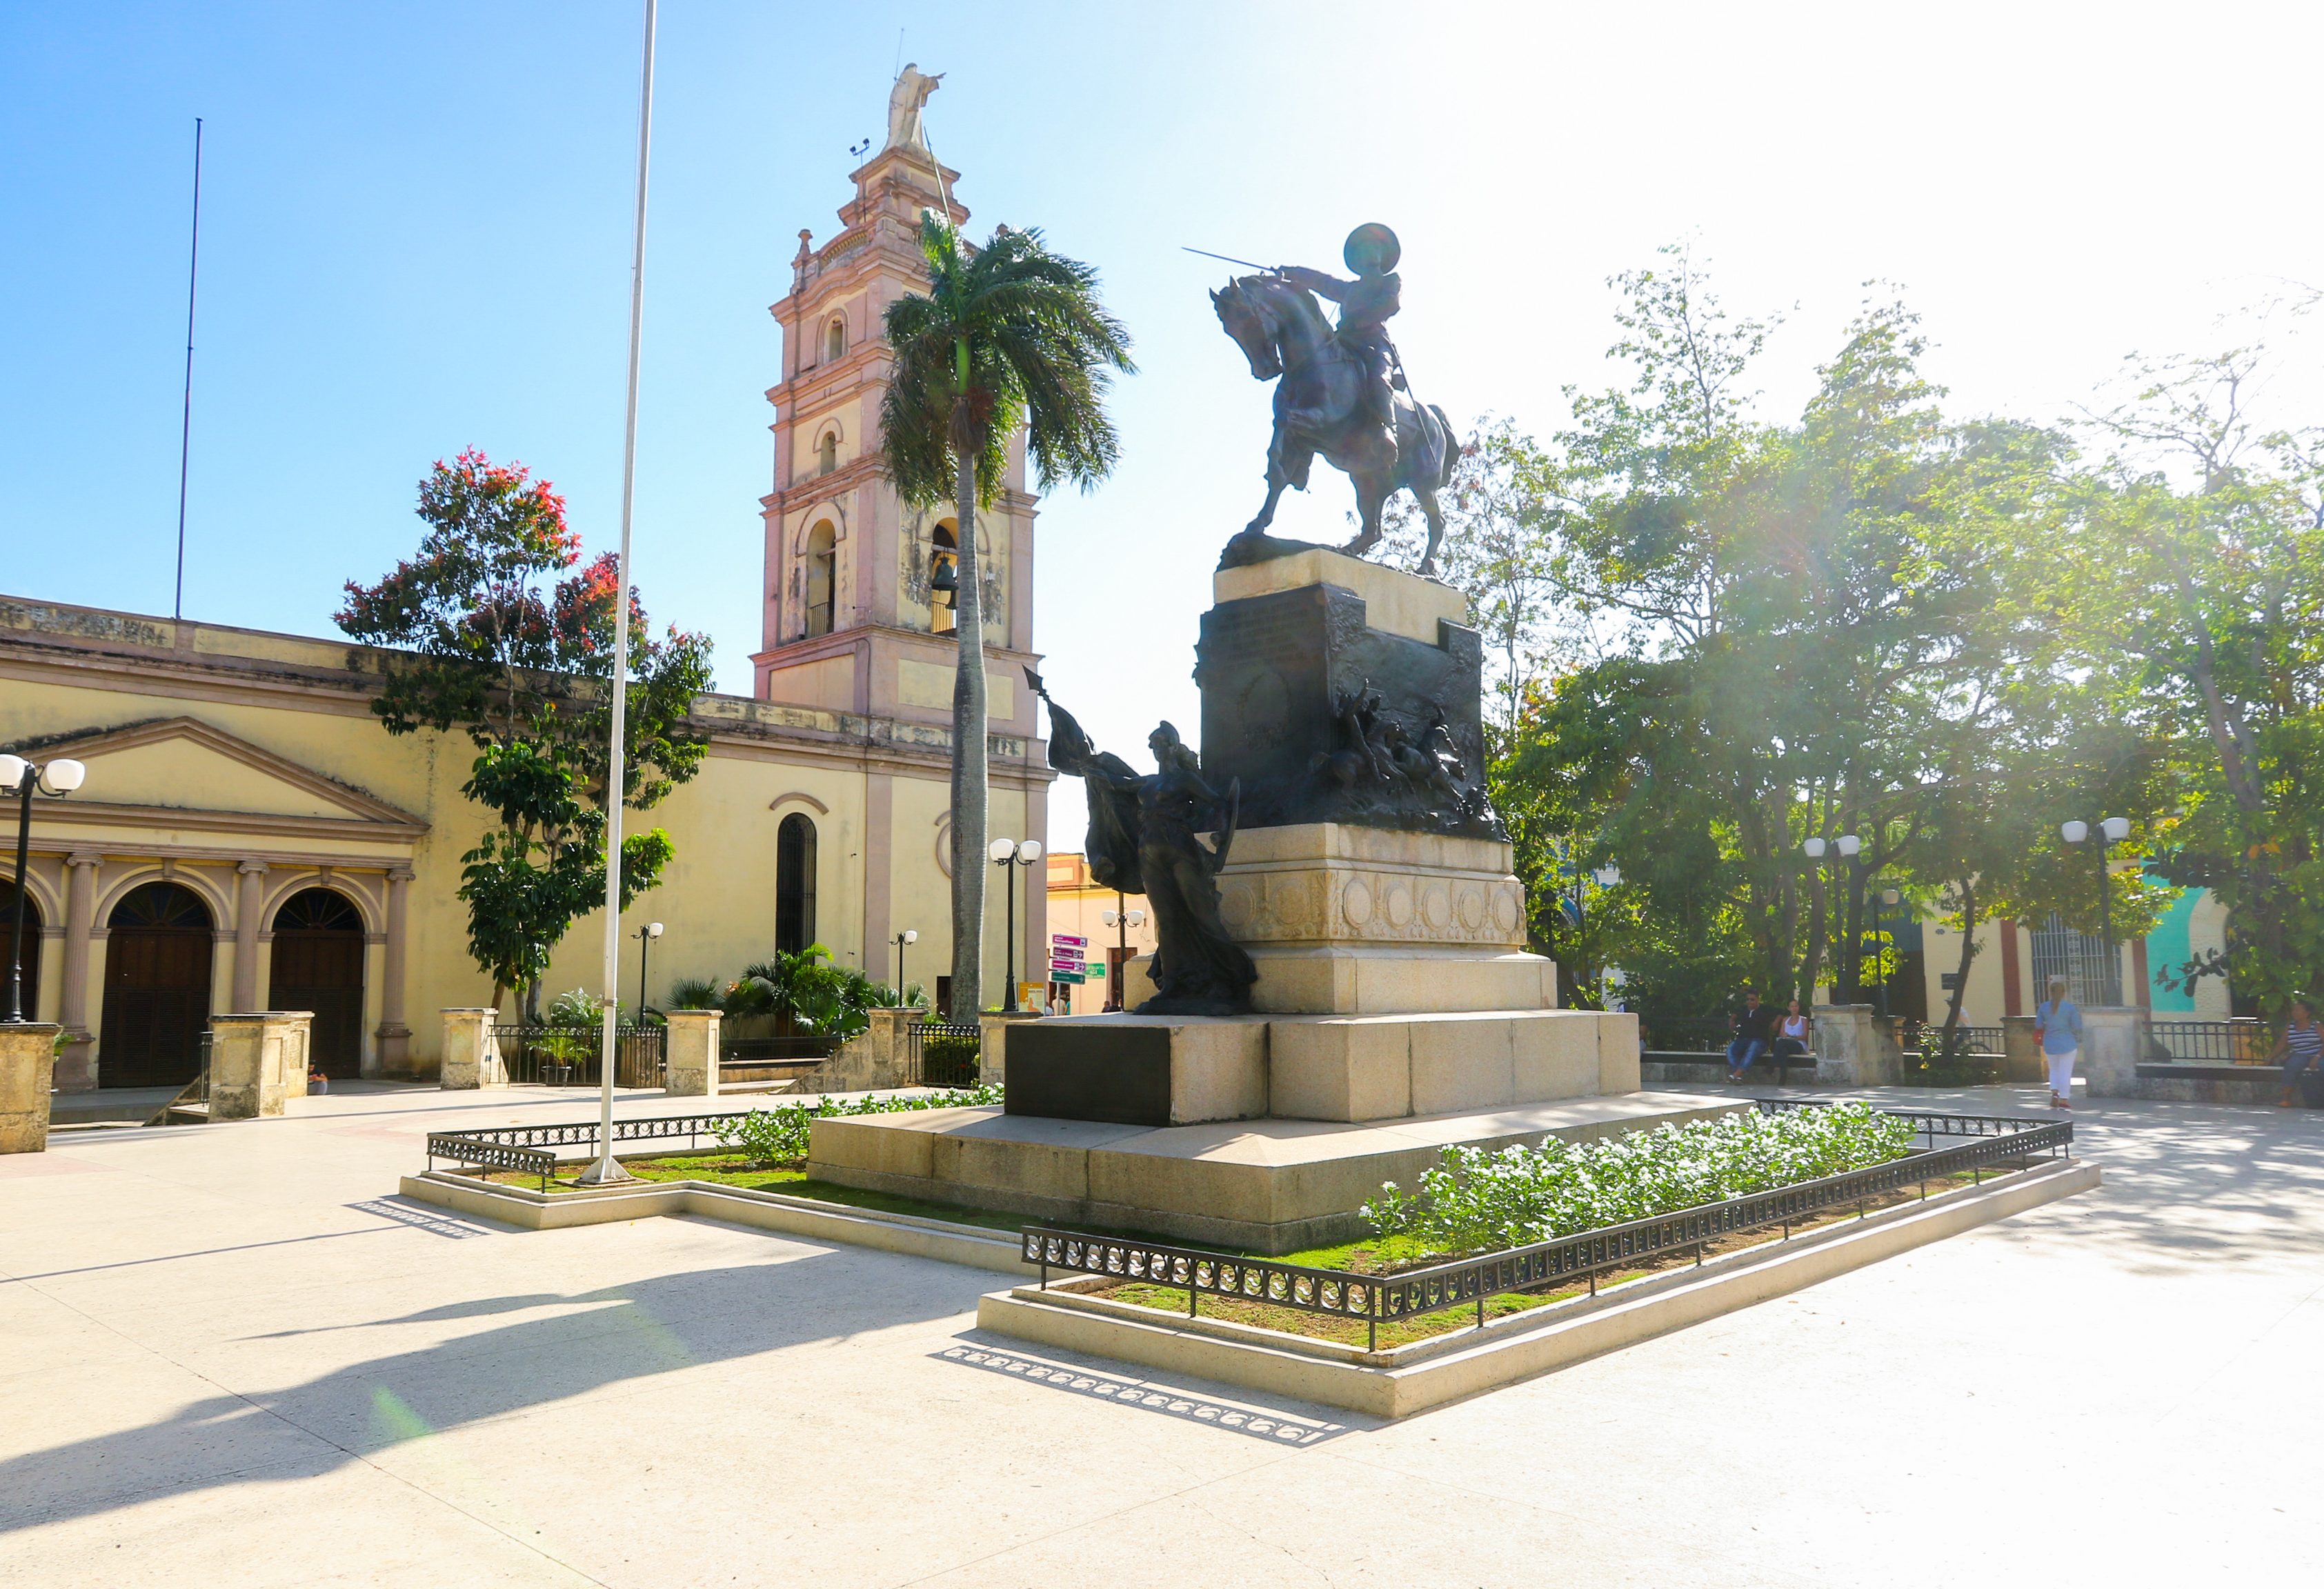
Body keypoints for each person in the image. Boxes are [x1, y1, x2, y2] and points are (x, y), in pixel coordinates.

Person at [2034, 975, 2082, 1109]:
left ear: (2051, 992)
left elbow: (2038, 1026)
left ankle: (2055, 1093)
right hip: (2068, 1043)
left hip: (2049, 1043)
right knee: (2065, 1072)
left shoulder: (2043, 1008)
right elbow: (2077, 1026)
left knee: (2054, 1069)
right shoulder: (2070, 1008)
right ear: (2064, 993)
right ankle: (2064, 1100)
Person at [2271, 998, 2322, 1108]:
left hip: (2318, 1053)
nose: (2294, 1012)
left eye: (2298, 1010)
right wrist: (2270, 1058)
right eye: (2294, 1010)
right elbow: (2282, 1043)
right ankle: (2286, 1099)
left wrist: (2317, 1057)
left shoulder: (2316, 1025)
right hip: (2300, 1054)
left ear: (2307, 1013)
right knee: (2291, 1067)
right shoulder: (2290, 1027)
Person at [1727, 989, 1775, 1083]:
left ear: (1758, 1000)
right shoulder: (1743, 1010)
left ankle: (1736, 1074)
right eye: (1748, 999)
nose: (1749, 1002)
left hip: (1760, 1041)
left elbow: (1782, 1013)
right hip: (1742, 1039)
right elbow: (1734, 1015)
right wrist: (1731, 1020)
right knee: (1730, 1050)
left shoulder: (1765, 1009)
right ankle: (1738, 1076)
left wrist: (1776, 1022)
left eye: (1752, 1000)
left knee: (1752, 1049)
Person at [1773, 999, 1812, 1066]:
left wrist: (1791, 1037)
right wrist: (1784, 1036)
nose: (1794, 1008)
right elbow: (1781, 1034)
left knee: (1781, 1042)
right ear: (1789, 1008)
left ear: (1798, 1007)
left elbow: (1805, 1036)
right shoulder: (1785, 1020)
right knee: (1784, 1052)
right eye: (1792, 1007)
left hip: (1799, 1045)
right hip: (1787, 1045)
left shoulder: (1803, 1020)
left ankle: (1772, 1064)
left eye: (1796, 1006)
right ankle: (1783, 1075)